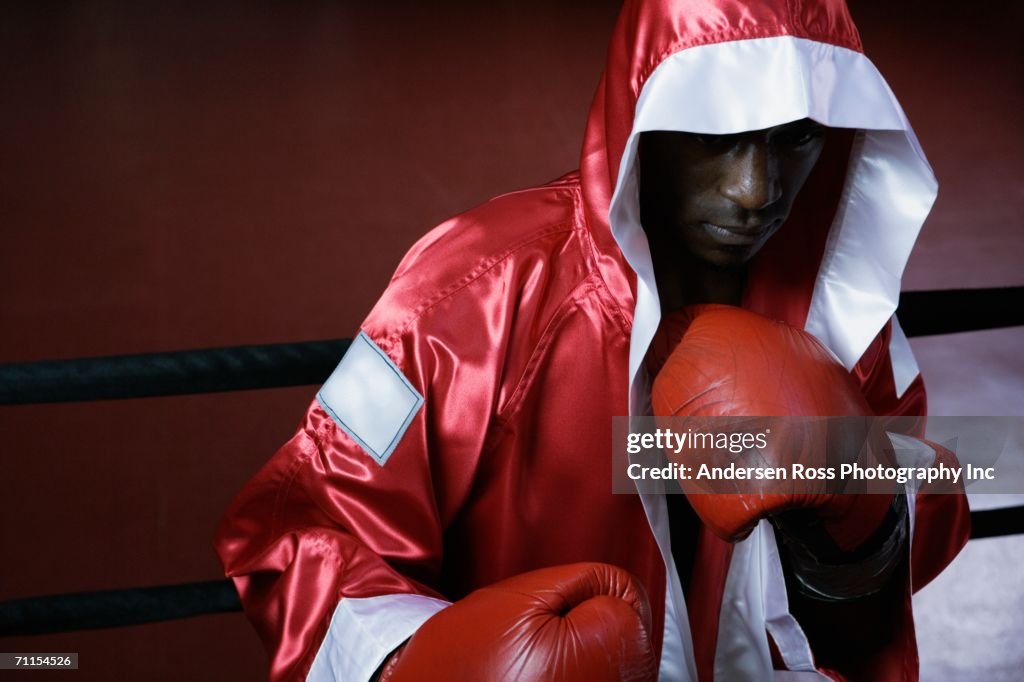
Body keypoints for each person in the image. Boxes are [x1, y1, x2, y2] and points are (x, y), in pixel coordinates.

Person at [215, 0, 970, 679]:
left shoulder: (842, 314)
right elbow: (293, 530)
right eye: (717, 134)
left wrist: (862, 509)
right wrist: (416, 663)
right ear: (641, 112)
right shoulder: (472, 293)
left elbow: (933, 519)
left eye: (795, 138)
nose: (756, 191)